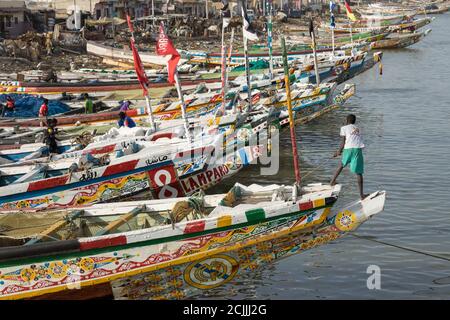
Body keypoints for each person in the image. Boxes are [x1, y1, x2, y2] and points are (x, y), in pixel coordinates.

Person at [330, 114, 368, 200]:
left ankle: (332, 181)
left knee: (342, 165)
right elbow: (355, 139)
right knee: (359, 172)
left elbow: (343, 141)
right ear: (354, 121)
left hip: (348, 149)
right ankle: (362, 195)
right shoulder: (358, 128)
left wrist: (338, 151)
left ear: (347, 121)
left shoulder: (343, 128)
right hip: (357, 149)